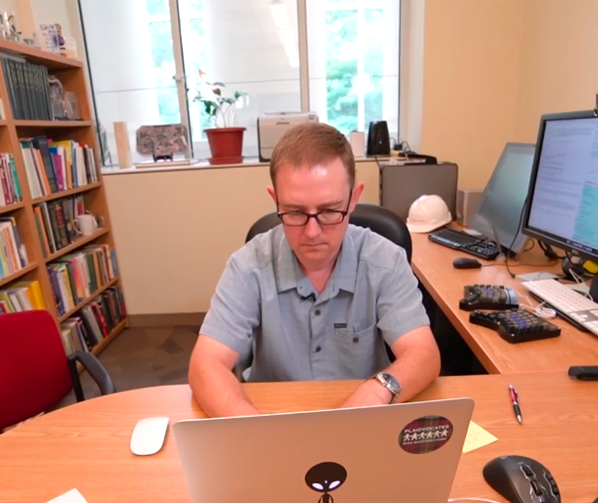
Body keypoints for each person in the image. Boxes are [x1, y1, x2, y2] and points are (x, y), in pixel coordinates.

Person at [188, 122, 441, 417]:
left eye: (330, 211)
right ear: (275, 200)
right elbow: (205, 365)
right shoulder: (248, 266)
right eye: (295, 212)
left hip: (364, 420)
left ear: (354, 199)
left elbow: (423, 355)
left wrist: (376, 390)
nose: (312, 233)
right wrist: (251, 428)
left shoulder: (385, 260)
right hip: (272, 420)